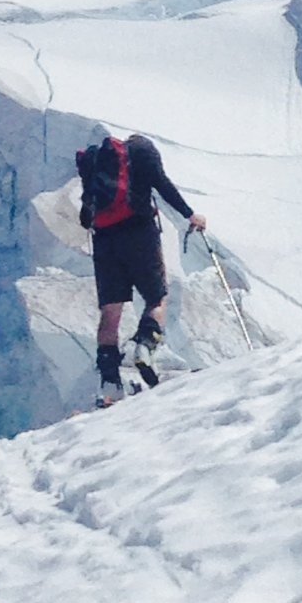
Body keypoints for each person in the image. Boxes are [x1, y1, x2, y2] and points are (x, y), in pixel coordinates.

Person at [79, 132, 206, 405]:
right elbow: (163, 185)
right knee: (156, 299)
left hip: (104, 241)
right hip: (139, 234)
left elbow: (84, 215)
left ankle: (110, 384)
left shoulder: (96, 160)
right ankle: (144, 349)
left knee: (110, 312)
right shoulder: (141, 151)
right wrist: (189, 214)